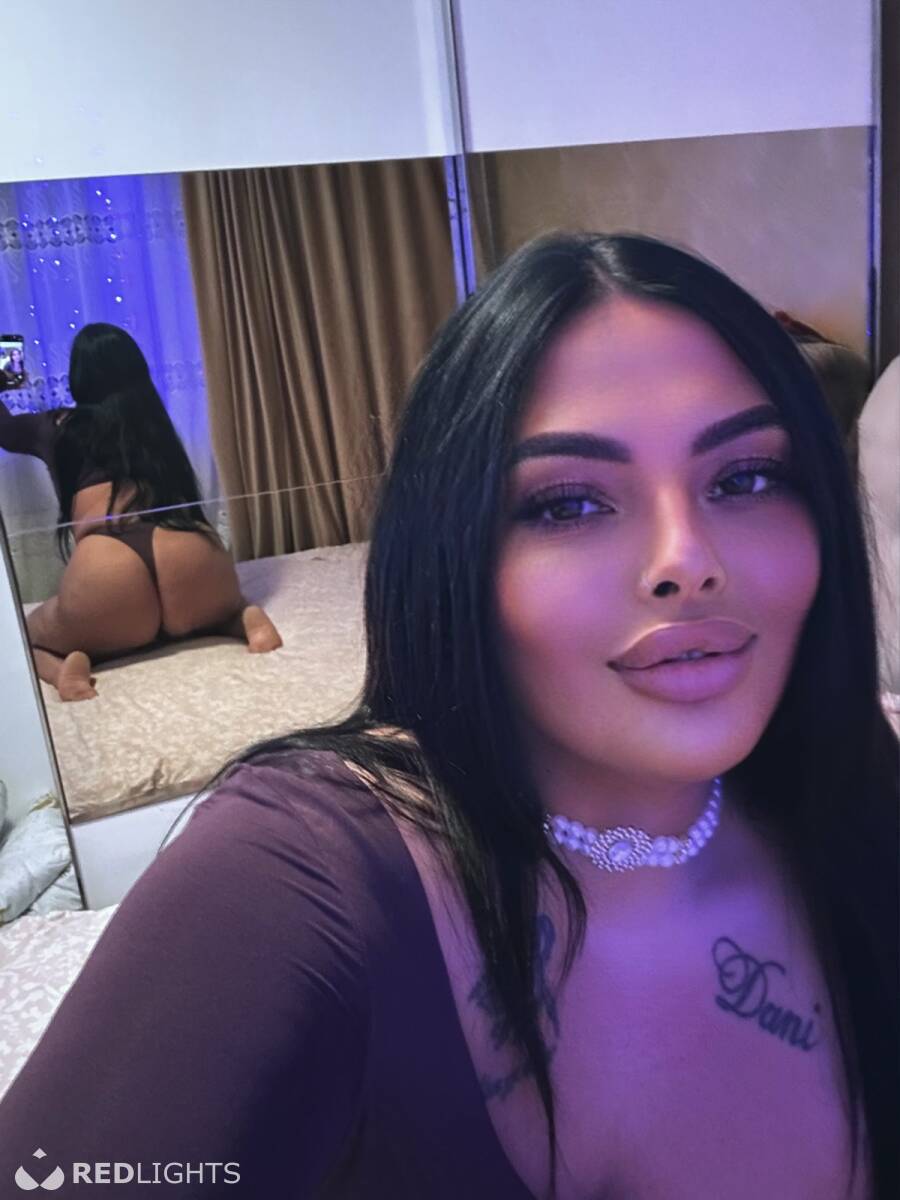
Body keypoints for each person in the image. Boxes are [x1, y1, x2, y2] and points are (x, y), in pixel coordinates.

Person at [0, 235, 896, 1198]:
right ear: (453, 546)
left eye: (746, 478)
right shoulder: (291, 877)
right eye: (570, 503)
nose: (689, 561)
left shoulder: (857, 786)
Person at [0, 323, 281, 700]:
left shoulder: (59, 426)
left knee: (24, 635)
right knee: (224, 607)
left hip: (108, 569)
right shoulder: (152, 424)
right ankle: (243, 618)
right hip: (188, 550)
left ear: (78, 377)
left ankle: (62, 669)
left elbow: (4, 430)